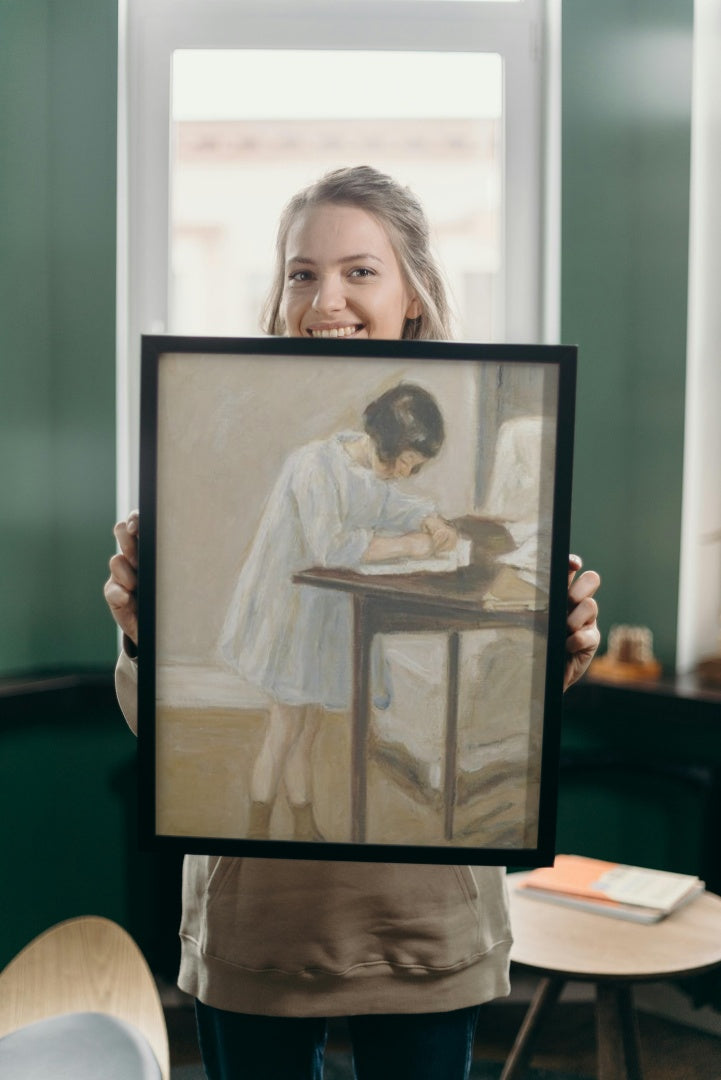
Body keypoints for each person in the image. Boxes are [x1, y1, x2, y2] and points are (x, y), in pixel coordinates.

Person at [105, 165, 601, 1080]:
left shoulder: (390, 458)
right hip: (257, 925)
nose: (324, 297)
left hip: (423, 922)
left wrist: (553, 654)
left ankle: (298, 805)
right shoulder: (298, 452)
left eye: (359, 271)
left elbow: (499, 704)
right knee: (288, 730)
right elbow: (155, 730)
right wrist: (141, 633)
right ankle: (281, 812)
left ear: (413, 291)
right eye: (301, 272)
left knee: (313, 727)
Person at [218, 382, 455, 843]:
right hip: (285, 613)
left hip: (320, 613)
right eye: (405, 463)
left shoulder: (370, 472)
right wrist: (413, 544)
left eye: (414, 467)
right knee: (285, 728)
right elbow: (333, 546)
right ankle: (256, 830)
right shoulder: (314, 465)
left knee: (307, 731)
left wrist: (429, 518)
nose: (406, 473)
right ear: (385, 446)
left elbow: (391, 504)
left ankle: (304, 825)